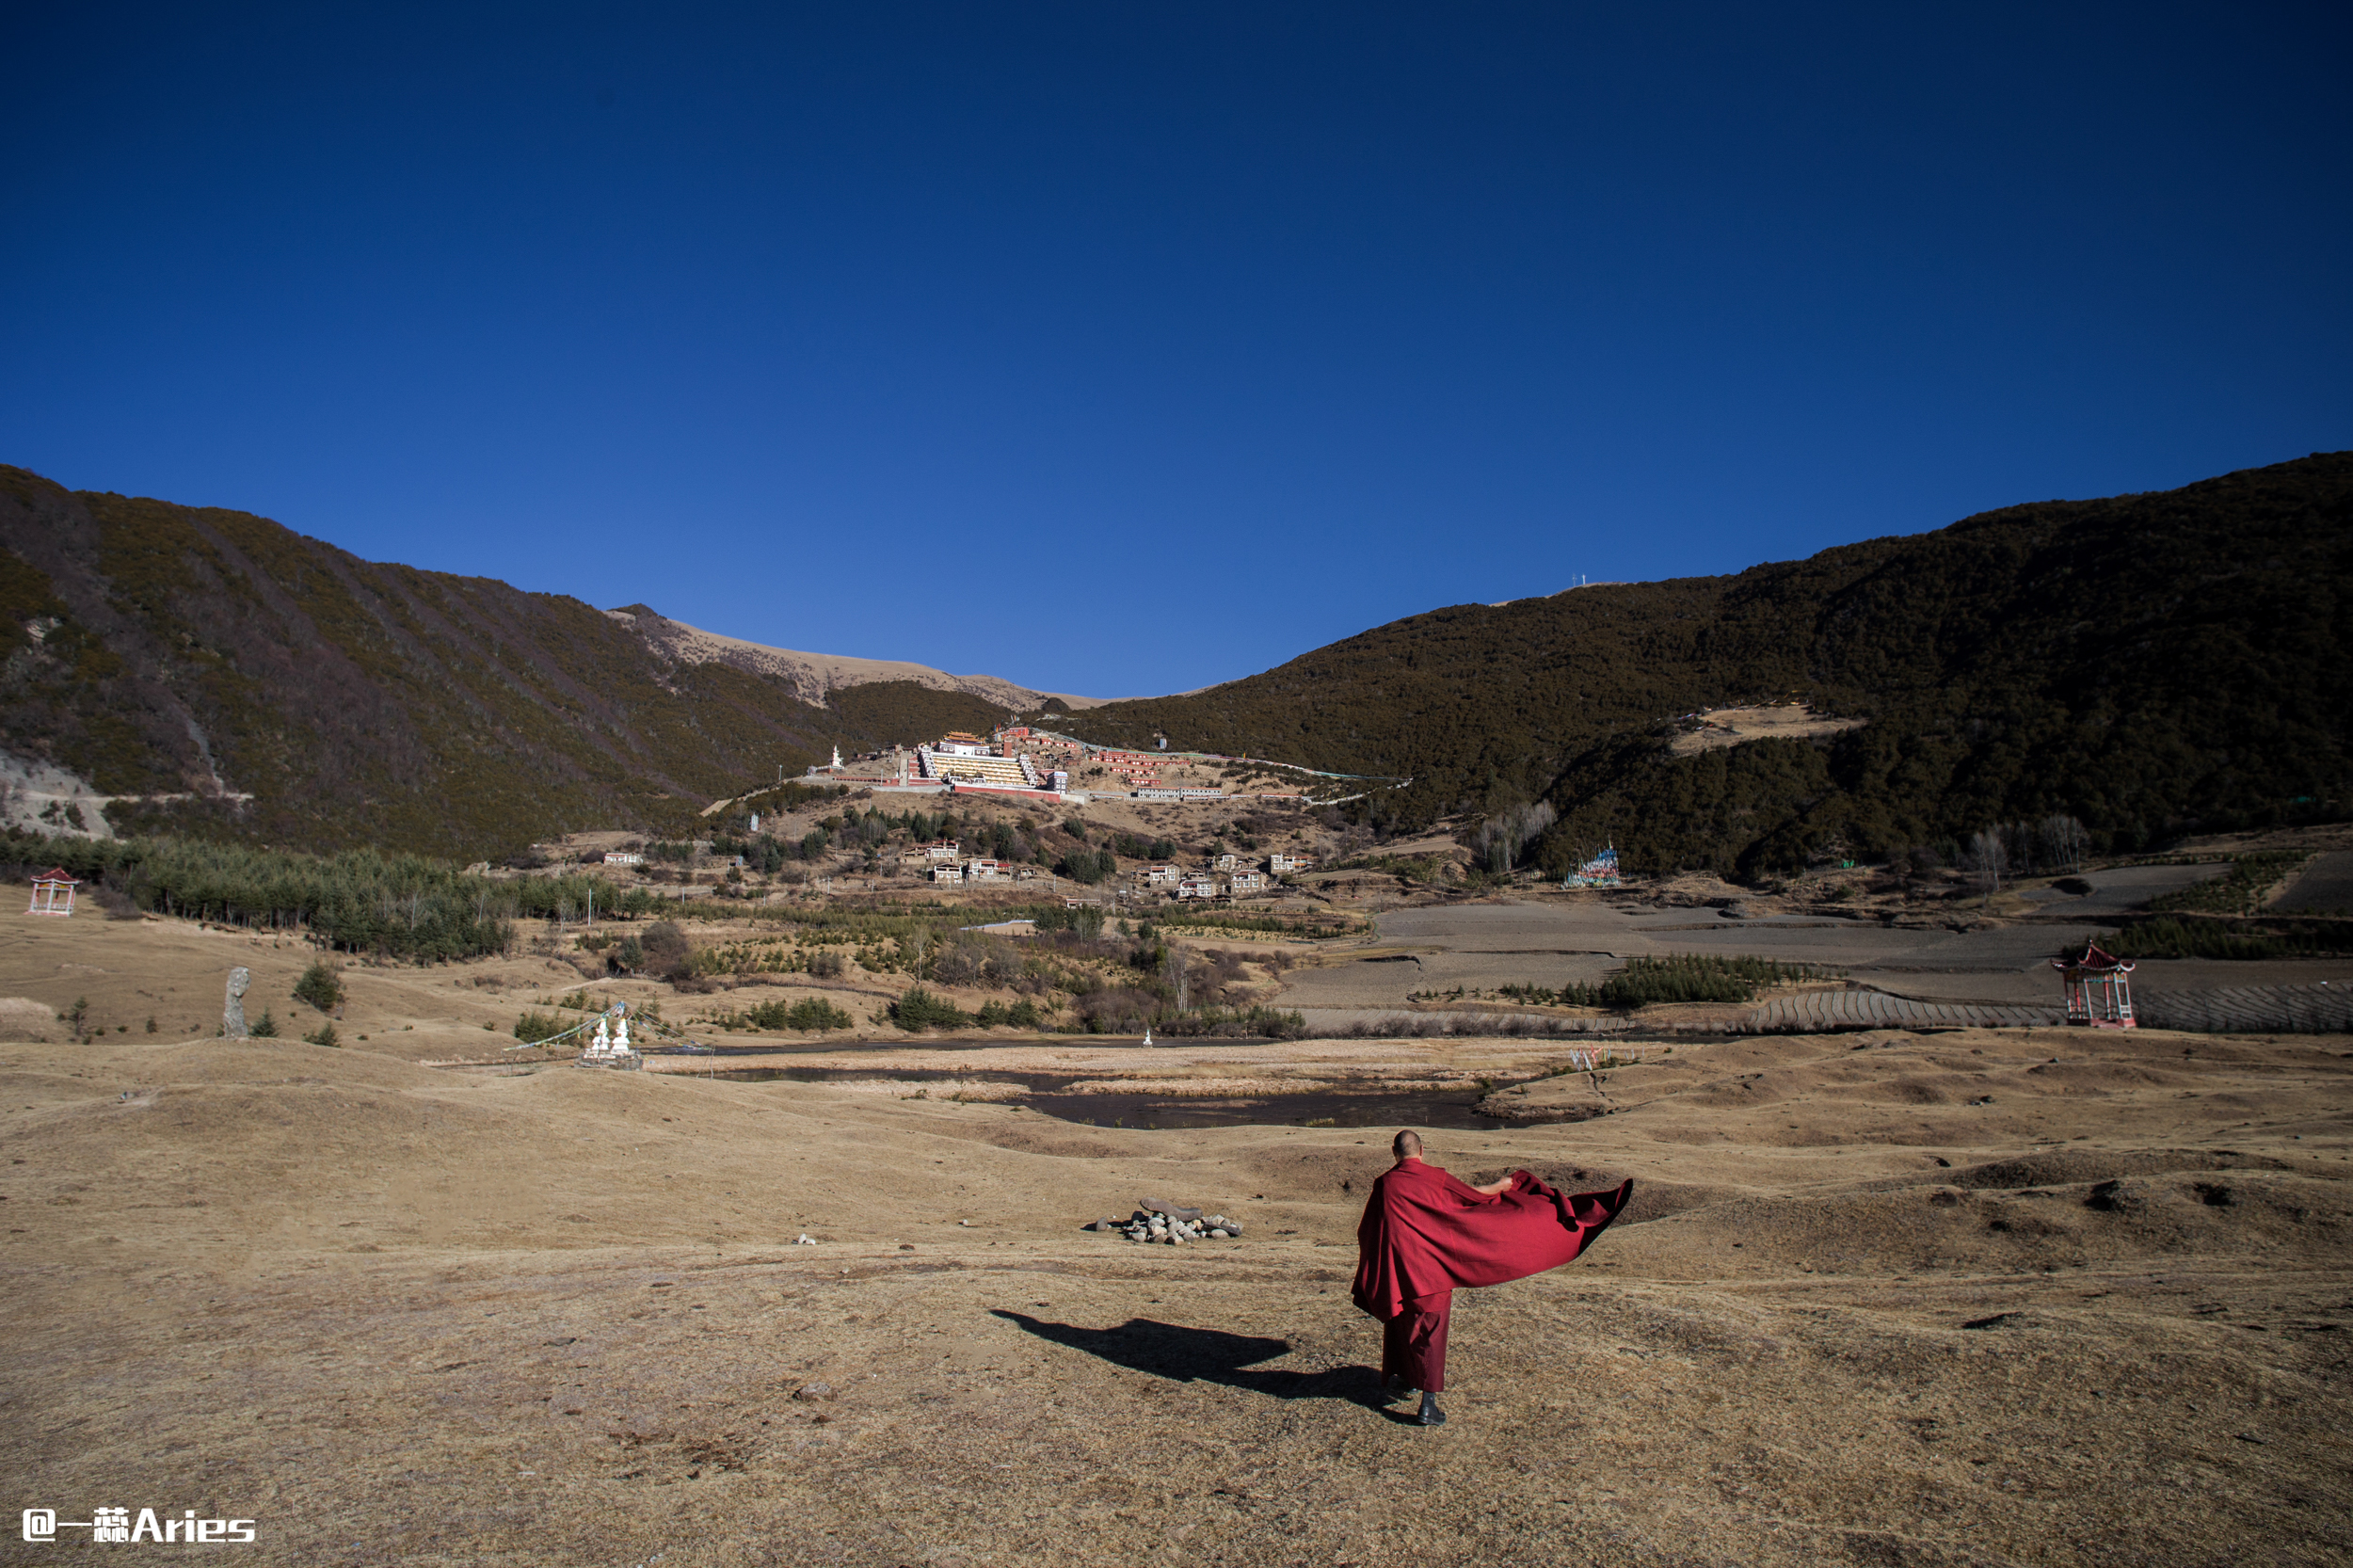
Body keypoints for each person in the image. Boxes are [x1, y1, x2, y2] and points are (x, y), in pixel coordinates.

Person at [1353, 1128, 1633, 1426]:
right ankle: (1428, 1406)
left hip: (1399, 1272)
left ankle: (1408, 1380)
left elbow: (1367, 1229)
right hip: (1430, 1270)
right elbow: (1474, 1198)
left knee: (1404, 1324)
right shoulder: (1434, 1178)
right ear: (1421, 1151)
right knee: (1430, 1332)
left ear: (1394, 1153)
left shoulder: (1384, 1184)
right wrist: (1502, 1185)